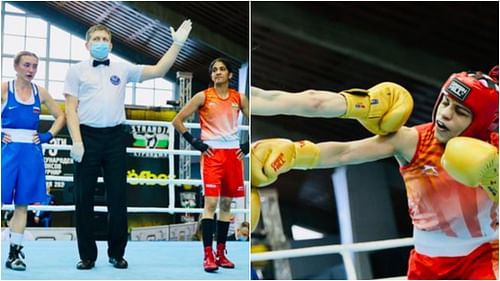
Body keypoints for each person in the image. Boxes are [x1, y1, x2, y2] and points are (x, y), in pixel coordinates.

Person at [251, 66, 499, 279]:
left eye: (460, 112)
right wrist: (294, 155)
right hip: (428, 261)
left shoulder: (496, 150)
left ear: (480, 122)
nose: (445, 114)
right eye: (446, 102)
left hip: (485, 254)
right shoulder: (413, 141)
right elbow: (345, 153)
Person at [63, 20, 192, 270]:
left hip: (114, 138)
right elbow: (70, 108)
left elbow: (158, 70)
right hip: (86, 137)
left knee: (118, 199)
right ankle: (87, 255)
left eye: (104, 40)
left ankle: (116, 253)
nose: (101, 43)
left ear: (111, 44)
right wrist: (77, 141)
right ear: (87, 44)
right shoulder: (76, 71)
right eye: (96, 39)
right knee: (83, 198)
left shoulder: (122, 68)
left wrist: (177, 44)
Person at [172, 57, 250, 272]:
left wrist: (247, 145)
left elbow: (257, 119)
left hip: (233, 156)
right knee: (211, 204)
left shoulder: (239, 98)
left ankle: (222, 253)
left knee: (226, 205)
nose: (217, 72)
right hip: (212, 156)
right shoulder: (202, 96)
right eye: (214, 70)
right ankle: (208, 255)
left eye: (222, 69)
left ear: (230, 75)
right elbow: (177, 120)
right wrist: (195, 142)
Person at [1, 51, 65, 271]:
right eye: (27, 65)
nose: (31, 70)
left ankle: (14, 254)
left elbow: (61, 116)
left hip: (31, 153)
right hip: (6, 151)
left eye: (34, 66)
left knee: (22, 205)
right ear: (16, 66)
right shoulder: (4, 88)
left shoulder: (41, 92)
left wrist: (48, 136)